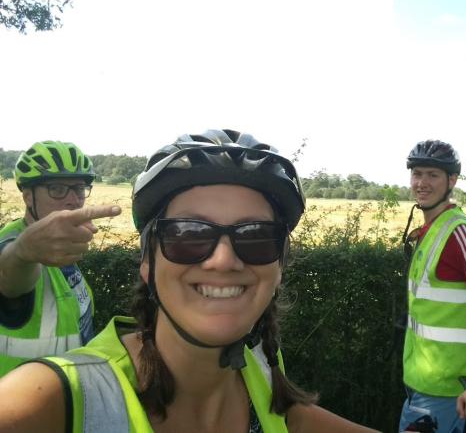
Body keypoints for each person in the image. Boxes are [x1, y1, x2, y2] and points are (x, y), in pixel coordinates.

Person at [0, 129, 379, 433]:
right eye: (188, 234)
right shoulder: (53, 398)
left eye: (256, 236)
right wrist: (21, 252)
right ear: (147, 262)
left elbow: (294, 417)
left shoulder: (260, 364)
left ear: (279, 266)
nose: (224, 259)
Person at [399, 140, 466, 433]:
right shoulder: (430, 231)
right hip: (421, 387)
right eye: (417, 174)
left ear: (451, 181)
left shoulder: (459, 233)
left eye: (432, 175)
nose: (422, 183)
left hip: (448, 396)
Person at [0, 140, 121, 377]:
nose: (73, 200)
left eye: (78, 189)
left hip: (67, 395)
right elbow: (8, 275)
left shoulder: (64, 248)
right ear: (27, 196)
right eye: (56, 189)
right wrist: (24, 252)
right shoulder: (13, 243)